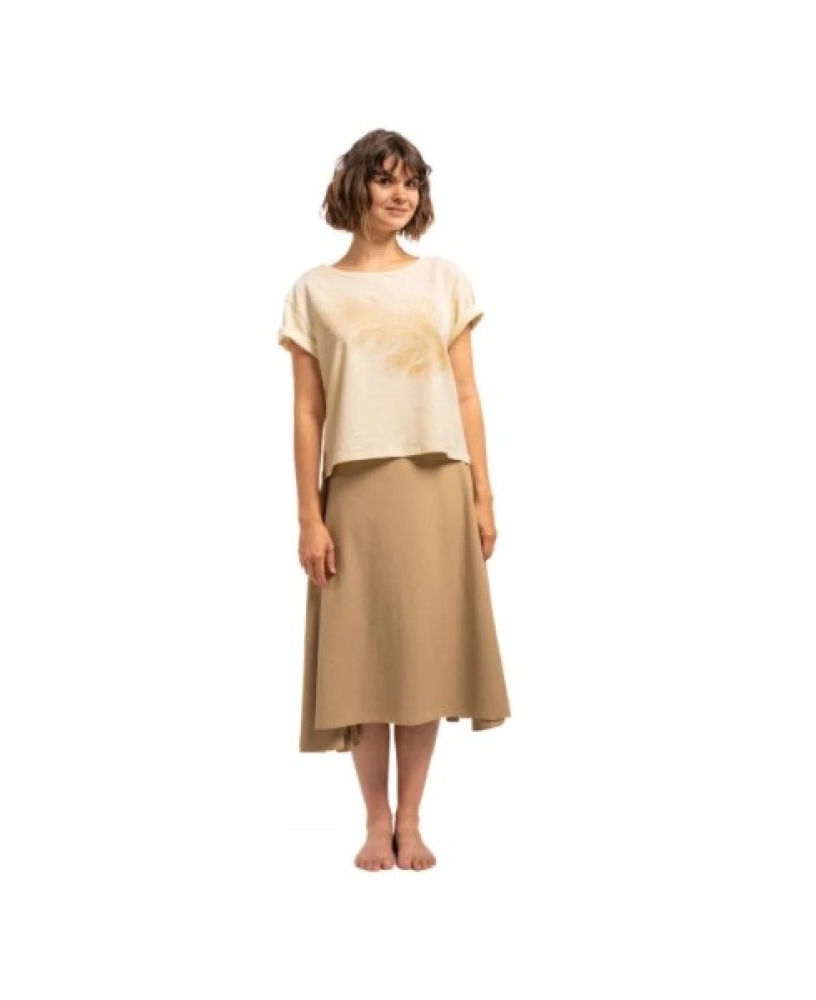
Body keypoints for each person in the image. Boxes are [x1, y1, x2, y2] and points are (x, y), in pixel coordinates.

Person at [276, 128, 511, 872]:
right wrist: (309, 516)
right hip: (356, 490)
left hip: (436, 484)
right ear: (355, 186)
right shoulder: (314, 291)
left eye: (410, 181)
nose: (399, 193)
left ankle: (411, 818)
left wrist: (482, 495)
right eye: (384, 179)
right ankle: (374, 820)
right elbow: (307, 411)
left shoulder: (443, 280)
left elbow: (467, 393)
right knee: (364, 658)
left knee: (423, 656)